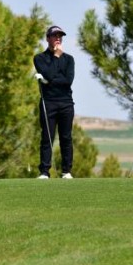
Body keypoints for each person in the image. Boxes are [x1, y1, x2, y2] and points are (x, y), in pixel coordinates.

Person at [33, 26, 75, 179]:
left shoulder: (69, 59)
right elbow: (49, 74)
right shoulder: (39, 58)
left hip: (66, 103)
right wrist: (56, 57)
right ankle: (44, 172)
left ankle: (66, 171)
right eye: (54, 35)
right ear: (47, 38)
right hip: (48, 102)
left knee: (66, 137)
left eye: (60, 36)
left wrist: (50, 80)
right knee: (47, 137)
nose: (58, 38)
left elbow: (68, 81)